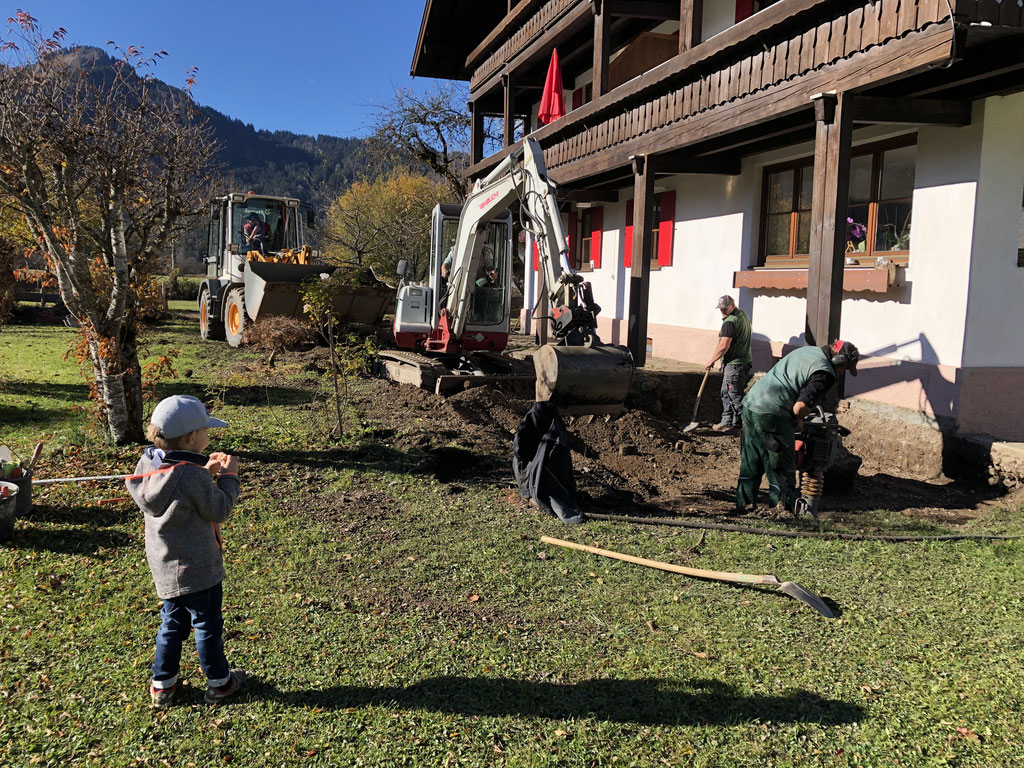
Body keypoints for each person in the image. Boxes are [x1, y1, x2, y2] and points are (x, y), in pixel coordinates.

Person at [126, 395, 248, 708]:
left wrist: (204, 471)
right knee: (207, 624)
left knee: (172, 623)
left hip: (165, 567)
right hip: (198, 568)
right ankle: (220, 683)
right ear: (192, 437)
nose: (209, 437)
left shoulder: (148, 464)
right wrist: (230, 476)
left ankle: (163, 685)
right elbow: (219, 508)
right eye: (206, 431)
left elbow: (175, 483)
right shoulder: (191, 476)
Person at [736, 340, 859, 514]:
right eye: (845, 369)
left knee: (752, 461)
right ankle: (780, 511)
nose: (842, 373)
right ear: (840, 361)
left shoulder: (809, 351)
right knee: (781, 467)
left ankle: (744, 507)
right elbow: (799, 407)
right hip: (773, 412)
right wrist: (798, 420)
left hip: (751, 404)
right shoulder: (825, 373)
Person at [705, 295, 752, 433]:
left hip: (735, 363)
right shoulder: (742, 314)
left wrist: (712, 360)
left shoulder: (729, 322)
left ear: (732, 306)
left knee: (735, 396)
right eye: (721, 309)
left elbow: (723, 346)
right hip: (742, 361)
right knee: (726, 393)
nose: (723, 312)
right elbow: (748, 330)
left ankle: (748, 427)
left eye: (725, 309)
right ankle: (728, 422)